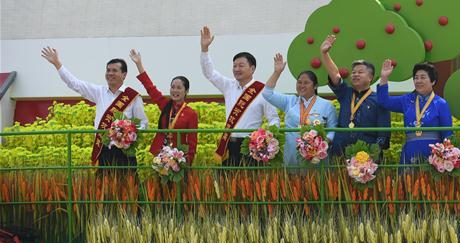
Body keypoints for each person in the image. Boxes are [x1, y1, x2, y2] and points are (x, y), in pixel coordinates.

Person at [41, 47, 148, 170]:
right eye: (108, 70)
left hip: (126, 151)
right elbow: (75, 83)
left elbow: (143, 123)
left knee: (127, 187)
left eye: (114, 70)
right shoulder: (99, 92)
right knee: (103, 187)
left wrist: (128, 135)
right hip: (103, 149)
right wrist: (57, 63)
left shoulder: (132, 96)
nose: (110, 73)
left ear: (124, 75)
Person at [199, 26, 279, 166]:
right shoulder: (228, 86)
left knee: (250, 186)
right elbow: (210, 73)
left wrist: (266, 139)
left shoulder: (262, 91)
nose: (236, 69)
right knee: (229, 185)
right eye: (234, 66)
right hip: (229, 145)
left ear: (252, 68)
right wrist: (205, 50)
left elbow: (273, 119)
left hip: (252, 146)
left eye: (241, 65)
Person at [319, 35, 390, 158]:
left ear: (370, 77)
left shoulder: (379, 99)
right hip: (340, 151)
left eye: (360, 72)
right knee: (336, 178)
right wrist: (324, 54)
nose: (355, 75)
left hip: (366, 154)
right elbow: (335, 74)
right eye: (353, 72)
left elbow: (384, 130)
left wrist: (375, 152)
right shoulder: (346, 92)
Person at [262, 53, 337, 167]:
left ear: (315, 86)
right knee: (293, 184)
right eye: (299, 82)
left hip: (316, 157)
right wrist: (277, 72)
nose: (301, 85)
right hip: (292, 154)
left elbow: (333, 130)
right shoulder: (289, 101)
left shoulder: (327, 105)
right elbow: (267, 93)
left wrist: (324, 142)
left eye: (306, 83)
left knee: (316, 184)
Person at [129, 50, 198, 167]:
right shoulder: (166, 104)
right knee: (160, 185)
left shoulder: (191, 114)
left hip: (179, 159)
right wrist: (139, 64)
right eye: (173, 87)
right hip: (160, 155)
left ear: (186, 91)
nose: (175, 90)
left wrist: (187, 162)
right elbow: (150, 88)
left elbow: (192, 141)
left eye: (179, 88)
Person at [377, 60, 452, 164]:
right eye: (416, 78)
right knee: (408, 180)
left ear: (433, 81)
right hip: (410, 151)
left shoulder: (441, 103)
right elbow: (383, 101)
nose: (418, 81)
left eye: (423, 77)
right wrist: (384, 77)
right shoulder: (406, 100)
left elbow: (448, 134)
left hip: (434, 154)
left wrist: (447, 157)